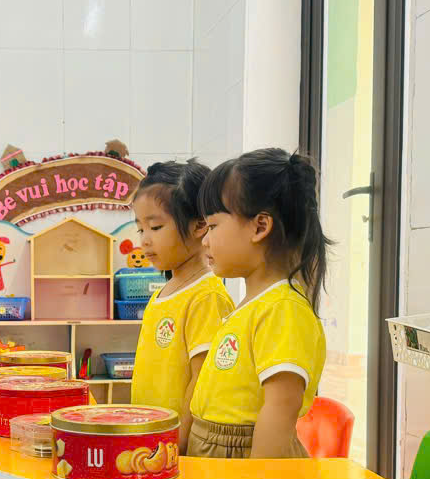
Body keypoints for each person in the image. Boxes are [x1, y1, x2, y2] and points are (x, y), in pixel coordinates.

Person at [188, 148, 332, 459]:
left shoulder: (283, 308)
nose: (205, 240)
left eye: (212, 226)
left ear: (259, 227)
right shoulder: (254, 304)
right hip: (219, 452)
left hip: (249, 462)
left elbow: (281, 409)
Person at [128, 160, 233, 452]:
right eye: (140, 229)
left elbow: (201, 382)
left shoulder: (206, 296)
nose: (145, 240)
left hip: (175, 448)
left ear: (199, 225)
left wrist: (178, 444)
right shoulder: (161, 294)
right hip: (150, 441)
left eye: (155, 227)